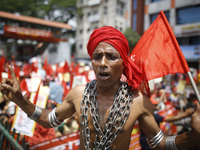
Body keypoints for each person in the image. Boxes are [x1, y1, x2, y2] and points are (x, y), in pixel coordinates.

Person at [0, 26, 200, 150]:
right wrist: (20, 100)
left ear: (123, 63)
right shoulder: (78, 94)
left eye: (111, 57)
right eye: (97, 57)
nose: (102, 63)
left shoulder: (138, 101)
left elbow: (160, 143)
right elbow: (49, 120)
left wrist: (194, 136)